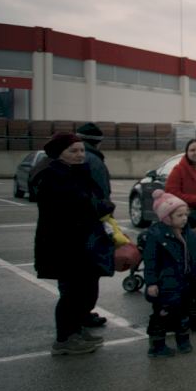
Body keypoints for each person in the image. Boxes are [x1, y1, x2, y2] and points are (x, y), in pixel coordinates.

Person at [33, 133, 115, 355]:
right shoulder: (52, 176)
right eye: (73, 151)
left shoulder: (76, 172)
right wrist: (101, 207)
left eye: (81, 150)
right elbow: (76, 207)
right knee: (71, 293)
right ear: (59, 153)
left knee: (83, 290)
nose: (80, 155)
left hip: (83, 242)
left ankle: (76, 330)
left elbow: (92, 199)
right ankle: (64, 339)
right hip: (64, 244)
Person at [143, 190, 196, 358]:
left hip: (185, 282)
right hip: (165, 284)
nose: (184, 218)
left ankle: (183, 341)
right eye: (179, 215)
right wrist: (151, 282)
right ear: (167, 218)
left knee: (183, 313)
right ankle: (157, 345)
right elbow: (150, 261)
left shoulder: (190, 234)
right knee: (162, 315)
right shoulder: (156, 235)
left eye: (185, 214)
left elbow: (194, 255)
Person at [76, 122, 112, 329]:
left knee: (77, 276)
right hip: (90, 226)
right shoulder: (94, 161)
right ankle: (82, 315)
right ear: (98, 142)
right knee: (89, 273)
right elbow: (101, 195)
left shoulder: (74, 160)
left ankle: (79, 315)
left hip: (77, 226)